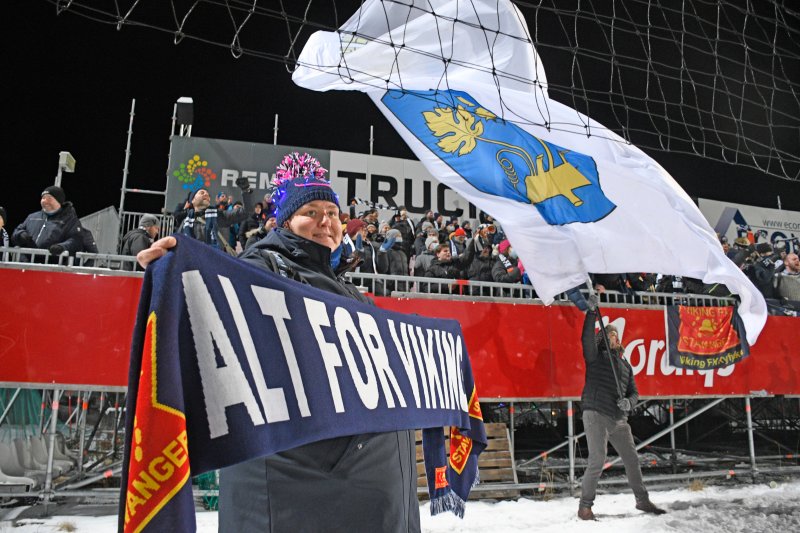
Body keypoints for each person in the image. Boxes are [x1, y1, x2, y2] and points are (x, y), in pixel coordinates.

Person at [136, 152, 420, 532]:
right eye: (312, 212)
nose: (326, 221)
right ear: (285, 221)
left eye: (333, 214)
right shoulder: (263, 268)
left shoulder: (351, 292)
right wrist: (175, 266)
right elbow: (213, 292)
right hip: (298, 487)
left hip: (368, 491)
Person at [578, 298, 665, 520]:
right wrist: (590, 314)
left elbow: (634, 393)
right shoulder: (595, 357)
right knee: (597, 460)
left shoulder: (626, 365)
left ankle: (642, 500)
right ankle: (585, 507)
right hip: (596, 411)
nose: (614, 337)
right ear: (602, 339)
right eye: (609, 335)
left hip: (618, 418)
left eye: (616, 335)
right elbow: (585, 338)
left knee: (632, 458)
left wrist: (629, 402)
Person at [179, 177, 254, 253]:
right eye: (202, 193)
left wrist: (245, 192)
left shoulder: (219, 216)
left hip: (215, 260)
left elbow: (246, 212)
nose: (206, 194)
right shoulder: (185, 222)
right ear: (193, 200)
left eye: (208, 194)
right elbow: (178, 243)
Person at [12, 186, 82, 258]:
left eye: (49, 198)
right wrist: (20, 234)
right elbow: (16, 232)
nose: (44, 201)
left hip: (51, 266)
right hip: (25, 265)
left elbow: (76, 240)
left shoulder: (70, 219)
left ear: (59, 201)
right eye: (43, 198)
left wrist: (62, 247)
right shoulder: (32, 217)